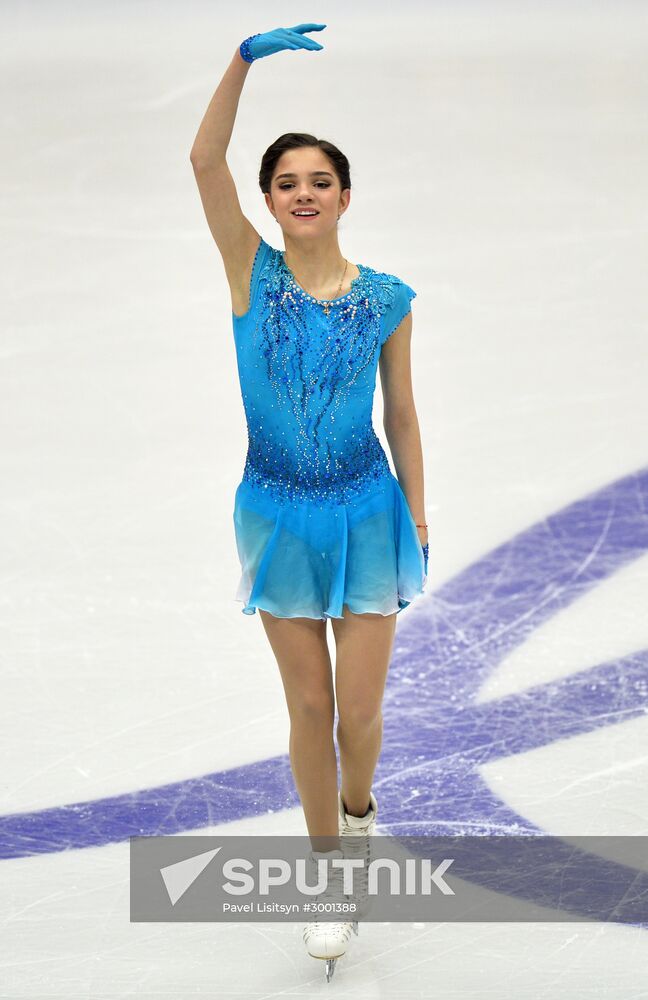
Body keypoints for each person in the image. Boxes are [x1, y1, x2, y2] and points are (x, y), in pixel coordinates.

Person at [190, 24, 429, 982]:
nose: (301, 194)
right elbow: (203, 157)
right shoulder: (252, 272)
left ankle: (360, 813)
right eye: (285, 183)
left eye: (317, 182)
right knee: (308, 701)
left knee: (359, 719)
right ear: (269, 201)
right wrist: (243, 61)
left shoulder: (387, 299)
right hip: (280, 514)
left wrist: (417, 512)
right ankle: (328, 872)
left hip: (369, 513)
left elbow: (404, 416)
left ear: (342, 195)